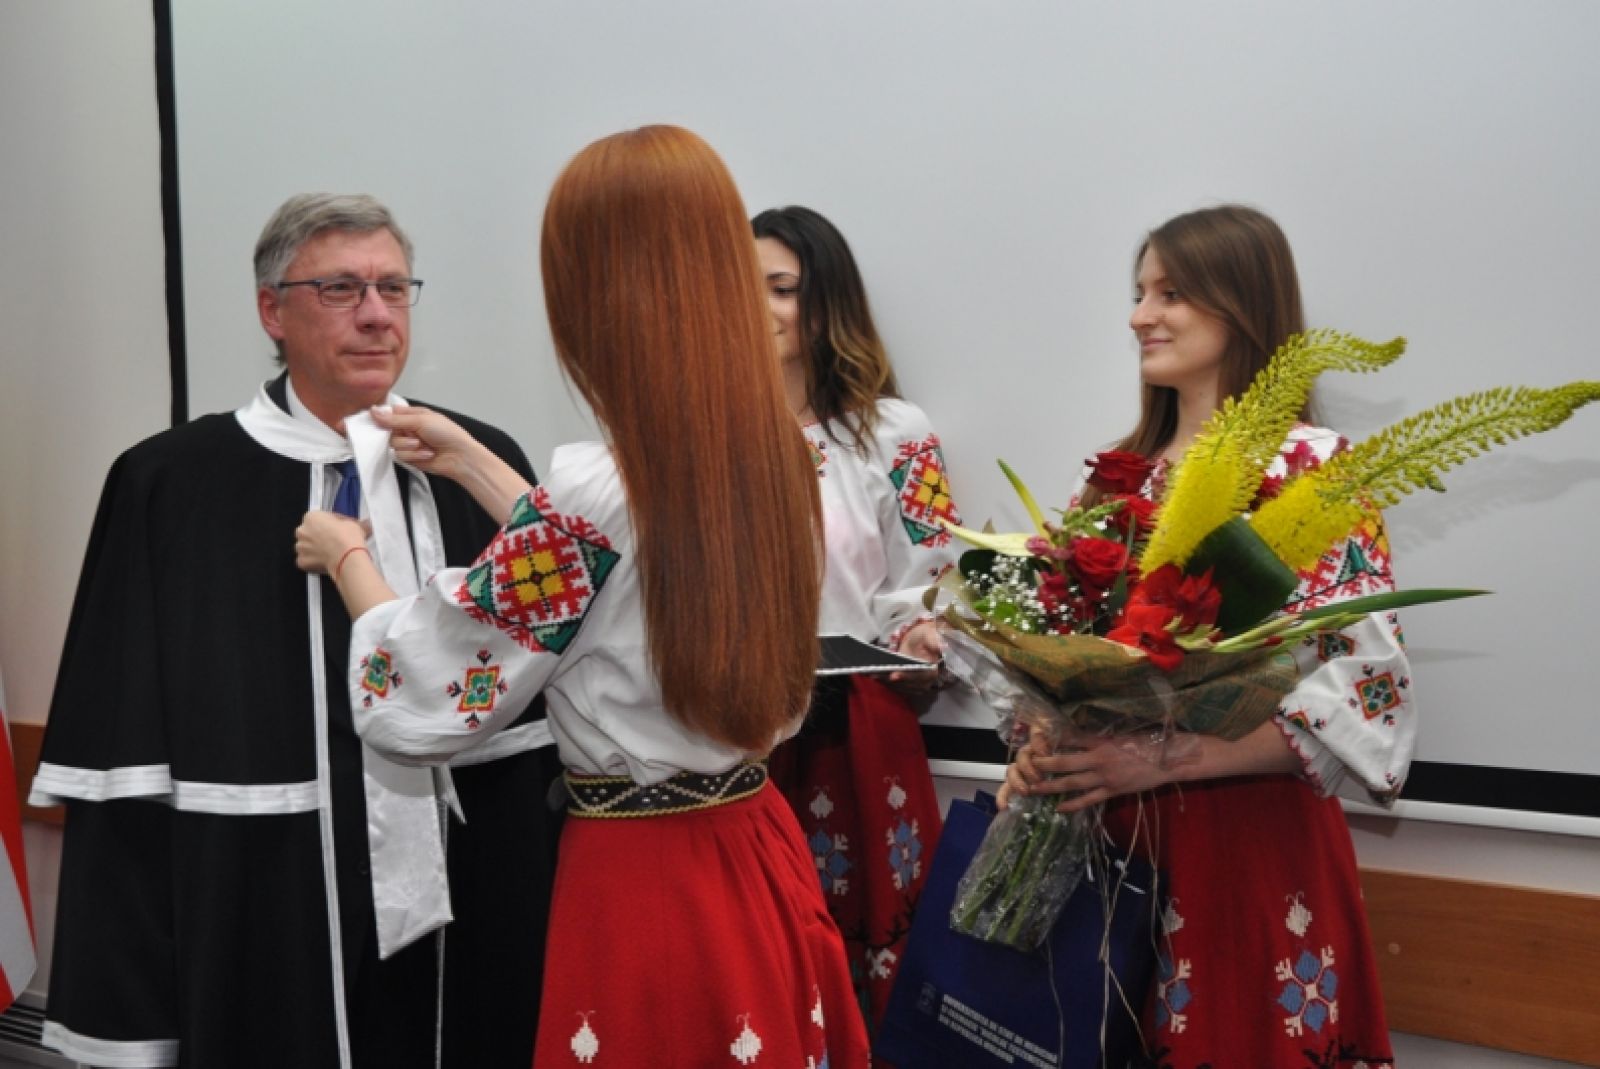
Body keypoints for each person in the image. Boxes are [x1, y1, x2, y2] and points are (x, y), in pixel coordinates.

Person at [295, 127, 871, 1067]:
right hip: (755, 849)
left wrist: (349, 557)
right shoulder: (779, 460)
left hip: (646, 889)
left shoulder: (596, 494)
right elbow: (624, 572)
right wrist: (476, 464)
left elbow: (429, 688)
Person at [30, 194, 562, 1069]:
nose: (377, 314)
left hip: (469, 887)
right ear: (271, 311)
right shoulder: (169, 484)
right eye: (341, 289)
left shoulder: (472, 459)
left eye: (394, 287)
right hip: (264, 896)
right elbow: (122, 760)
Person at [1001, 205, 1410, 1069]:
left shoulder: (1311, 469)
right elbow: (1060, 655)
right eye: (1139, 292)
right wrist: (1038, 747)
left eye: (1171, 293)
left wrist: (1164, 757)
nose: (1139, 316)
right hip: (1103, 857)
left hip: (1245, 853)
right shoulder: (1110, 481)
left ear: (1242, 304)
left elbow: (1367, 690)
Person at [752, 205, 958, 1029]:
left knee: (880, 974)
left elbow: (933, 581)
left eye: (781, 287)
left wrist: (925, 640)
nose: (758, 306)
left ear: (826, 301)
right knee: (764, 966)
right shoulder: (699, 438)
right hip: (735, 736)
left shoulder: (894, 432)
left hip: (859, 733)